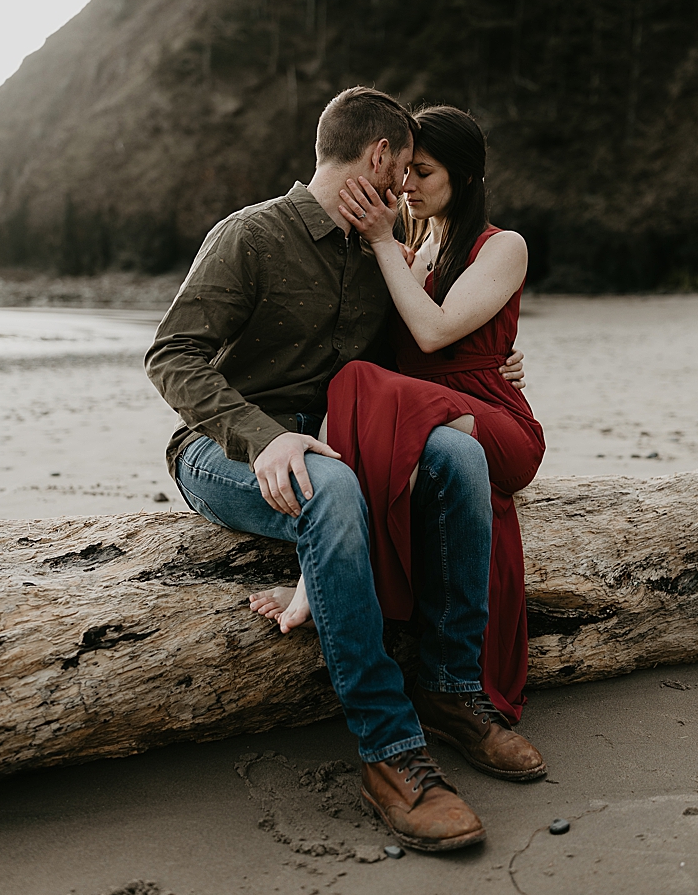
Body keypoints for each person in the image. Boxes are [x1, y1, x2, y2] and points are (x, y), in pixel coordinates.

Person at [148, 87, 518, 853]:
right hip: (224, 452)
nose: (406, 186)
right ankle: (390, 751)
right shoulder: (251, 234)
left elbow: (418, 348)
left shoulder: (385, 253)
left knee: (457, 451)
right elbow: (171, 356)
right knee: (334, 485)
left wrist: (499, 365)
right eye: (402, 167)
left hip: (336, 444)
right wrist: (264, 438)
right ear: (380, 157)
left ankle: (453, 690)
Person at [252, 104, 547, 782]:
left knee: (358, 381)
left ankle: (311, 574)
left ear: (465, 174)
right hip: (439, 424)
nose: (407, 183)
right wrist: (397, 251)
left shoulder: (502, 245)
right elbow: (394, 348)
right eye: (404, 168)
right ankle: (348, 576)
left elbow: (437, 335)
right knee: (359, 375)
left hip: (496, 424)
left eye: (425, 170)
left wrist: (385, 244)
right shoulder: (421, 246)